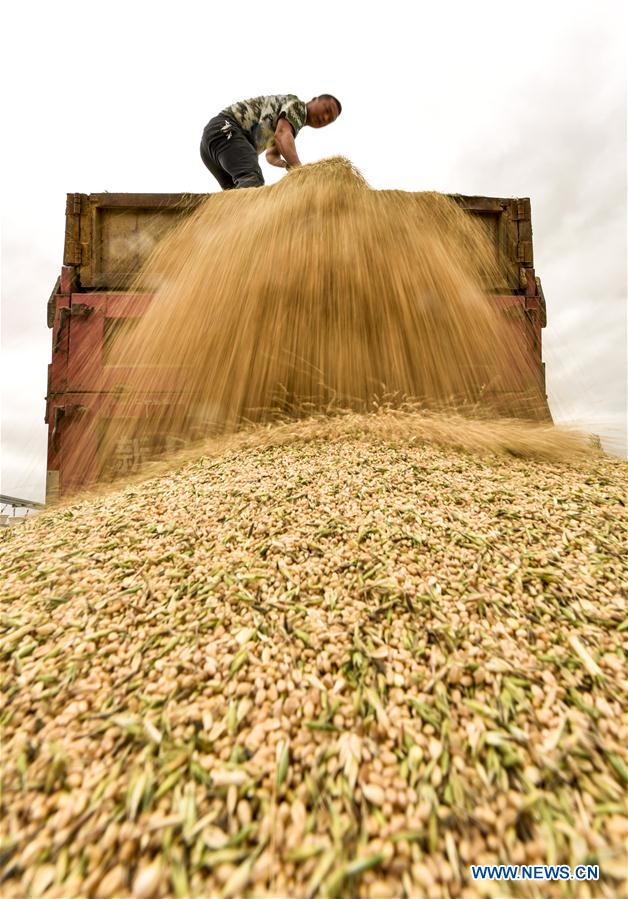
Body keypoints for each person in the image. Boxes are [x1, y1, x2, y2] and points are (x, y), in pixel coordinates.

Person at [200, 94, 342, 190]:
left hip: (213, 145)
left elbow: (271, 155)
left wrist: (286, 165)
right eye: (326, 109)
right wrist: (300, 170)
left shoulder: (287, 125)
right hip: (226, 128)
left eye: (330, 119)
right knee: (253, 180)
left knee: (236, 194)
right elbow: (282, 135)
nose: (325, 117)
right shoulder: (298, 107)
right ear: (314, 100)